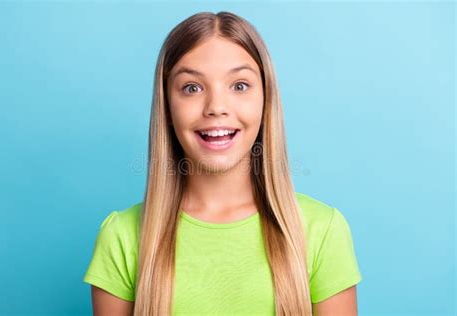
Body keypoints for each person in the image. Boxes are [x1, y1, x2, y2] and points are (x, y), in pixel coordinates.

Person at [83, 11, 362, 316]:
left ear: (266, 99)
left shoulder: (322, 231)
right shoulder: (122, 236)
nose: (216, 107)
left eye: (239, 85)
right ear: (167, 106)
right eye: (192, 87)